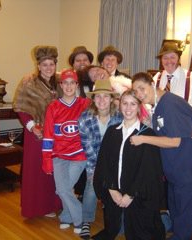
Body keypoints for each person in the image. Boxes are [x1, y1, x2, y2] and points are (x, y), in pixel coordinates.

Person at [130, 72, 192, 240]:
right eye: (135, 91)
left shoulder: (170, 105)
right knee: (175, 203)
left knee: (185, 207)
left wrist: (143, 139)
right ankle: (176, 230)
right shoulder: (159, 105)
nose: (139, 94)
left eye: (141, 88)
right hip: (176, 166)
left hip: (187, 165)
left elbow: (175, 141)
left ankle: (182, 236)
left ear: (152, 84)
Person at [92, 89, 165, 240]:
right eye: (125, 103)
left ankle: (166, 219)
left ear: (139, 107)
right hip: (116, 190)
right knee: (114, 227)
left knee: (142, 232)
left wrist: (131, 194)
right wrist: (111, 189)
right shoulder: (112, 132)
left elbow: (148, 171)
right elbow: (103, 163)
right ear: (119, 106)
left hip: (138, 194)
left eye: (133, 104)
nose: (128, 108)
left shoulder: (147, 135)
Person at [13, 45, 61, 218]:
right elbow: (20, 107)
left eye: (52, 64)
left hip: (57, 134)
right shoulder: (29, 82)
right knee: (39, 171)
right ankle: (39, 207)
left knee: (56, 171)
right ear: (38, 66)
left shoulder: (61, 81)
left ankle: (55, 203)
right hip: (37, 134)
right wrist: (33, 126)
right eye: (45, 64)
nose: (48, 68)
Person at [42, 69, 90, 234]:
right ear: (61, 85)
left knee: (63, 189)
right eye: (65, 83)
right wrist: (47, 159)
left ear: (77, 85)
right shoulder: (53, 107)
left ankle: (73, 218)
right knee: (64, 189)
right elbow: (48, 135)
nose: (69, 86)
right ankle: (70, 216)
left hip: (79, 155)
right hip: (59, 155)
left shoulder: (85, 104)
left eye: (72, 82)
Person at [78, 79, 122, 239]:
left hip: (115, 163)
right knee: (91, 186)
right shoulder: (85, 118)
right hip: (94, 163)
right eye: (98, 96)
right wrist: (95, 171)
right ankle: (86, 221)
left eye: (106, 96)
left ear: (111, 99)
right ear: (93, 99)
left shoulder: (120, 117)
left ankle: (118, 220)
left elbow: (121, 147)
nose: (102, 100)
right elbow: (87, 148)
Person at [68, 46, 94, 200]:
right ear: (73, 64)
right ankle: (73, 194)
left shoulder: (93, 81)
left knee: (88, 164)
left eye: (85, 60)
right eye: (78, 60)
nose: (82, 63)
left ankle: (86, 194)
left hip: (90, 130)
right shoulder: (65, 82)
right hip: (71, 131)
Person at [153, 41, 192, 107]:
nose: (169, 61)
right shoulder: (156, 78)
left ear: (178, 58)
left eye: (172, 57)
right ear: (161, 60)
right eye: (165, 58)